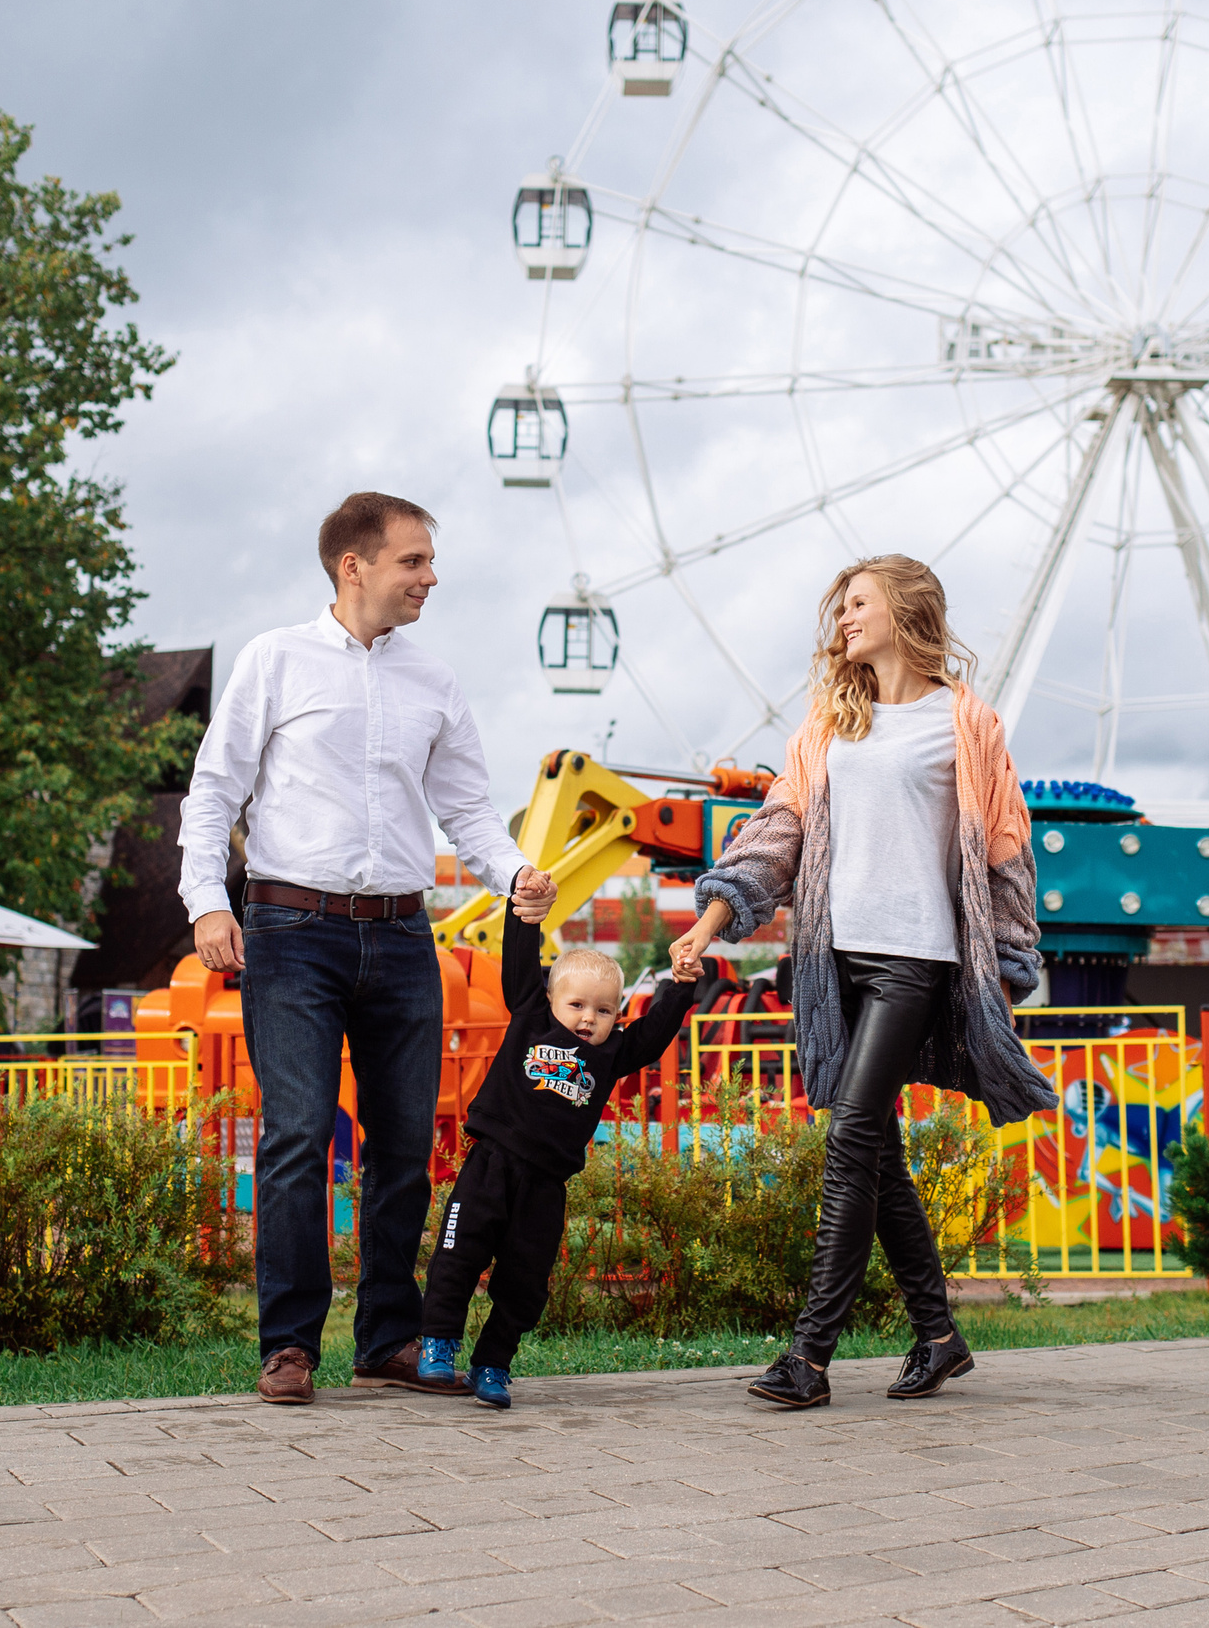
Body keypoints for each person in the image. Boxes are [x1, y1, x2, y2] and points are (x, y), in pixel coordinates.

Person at [179, 491, 558, 1406]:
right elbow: (214, 789)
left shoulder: (434, 680)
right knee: (299, 1137)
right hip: (289, 931)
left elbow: (468, 808)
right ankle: (290, 1347)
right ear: (355, 565)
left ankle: (388, 1337)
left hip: (399, 935)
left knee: (401, 1144)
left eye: (429, 561)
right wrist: (203, 903)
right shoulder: (274, 660)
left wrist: (513, 873)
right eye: (414, 561)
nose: (431, 577)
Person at [673, 554, 1052, 1409]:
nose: (844, 618)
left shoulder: (968, 724)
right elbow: (778, 835)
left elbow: (1004, 850)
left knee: (848, 1143)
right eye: (840, 607)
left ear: (906, 610)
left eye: (858, 602)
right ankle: (938, 1335)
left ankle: (809, 1357)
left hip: (917, 957)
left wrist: (1012, 959)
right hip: (832, 961)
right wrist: (707, 922)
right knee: (876, 1150)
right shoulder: (827, 726)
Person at [415, 919, 697, 1407]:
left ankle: (493, 1365)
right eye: (578, 1005)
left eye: (604, 1010)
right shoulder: (529, 1016)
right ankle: (438, 1342)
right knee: (457, 1258)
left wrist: (682, 984)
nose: (589, 1018)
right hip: (490, 1167)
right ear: (551, 1001)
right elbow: (520, 965)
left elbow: (652, 1035)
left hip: (545, 1187)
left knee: (525, 1282)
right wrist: (525, 914)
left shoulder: (612, 1053)